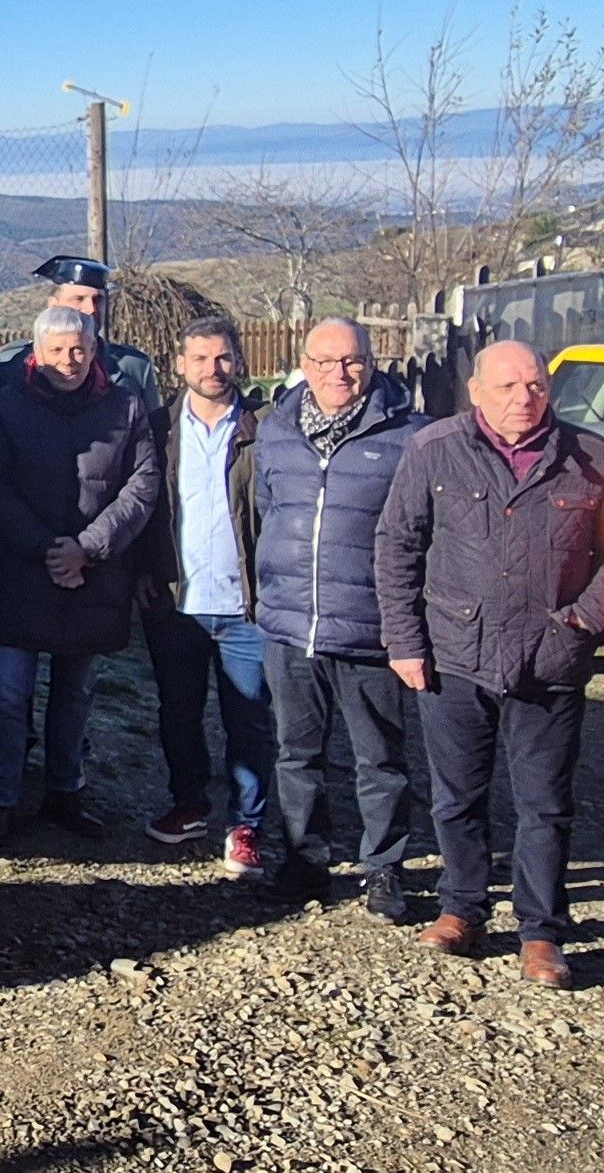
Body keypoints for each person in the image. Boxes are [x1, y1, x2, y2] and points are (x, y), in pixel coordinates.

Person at [374, 339, 604, 990]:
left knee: (544, 803)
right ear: (475, 391)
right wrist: (403, 641)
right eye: (507, 386)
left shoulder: (593, 458)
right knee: (457, 796)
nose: (523, 398)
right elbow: (398, 544)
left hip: (550, 659)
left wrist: (579, 623)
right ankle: (462, 908)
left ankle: (540, 931)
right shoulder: (433, 449)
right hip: (455, 652)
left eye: (535, 385)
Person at [256, 317, 434, 912]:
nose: (340, 373)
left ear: (372, 362)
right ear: (303, 364)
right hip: (290, 624)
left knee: (378, 757)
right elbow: (266, 513)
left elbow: (421, 531)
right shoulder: (275, 433)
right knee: (295, 753)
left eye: (352, 360)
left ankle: (383, 867)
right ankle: (305, 861)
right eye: (326, 361)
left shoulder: (409, 436)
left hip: (368, 627)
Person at [0, 304, 162, 843]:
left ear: (95, 350)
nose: (68, 361)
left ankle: (65, 792)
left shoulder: (125, 406)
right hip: (25, 569)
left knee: (76, 692)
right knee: (9, 694)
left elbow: (142, 486)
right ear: (37, 353)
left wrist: (88, 548)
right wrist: (47, 548)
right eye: (56, 350)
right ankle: (1, 799)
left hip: (96, 574)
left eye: (79, 349)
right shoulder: (7, 404)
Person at [132, 315, 276, 874]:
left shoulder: (264, 428)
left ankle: (247, 826)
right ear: (179, 364)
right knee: (178, 712)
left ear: (237, 361)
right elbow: (145, 505)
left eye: (221, 358)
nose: (211, 370)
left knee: (249, 719)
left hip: (246, 604)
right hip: (177, 601)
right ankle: (188, 805)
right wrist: (145, 569)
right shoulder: (157, 427)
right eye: (199, 358)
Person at [0, 255, 158, 399]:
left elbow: (153, 433)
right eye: (78, 299)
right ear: (53, 306)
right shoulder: (9, 364)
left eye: (97, 300)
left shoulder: (134, 367)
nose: (91, 309)